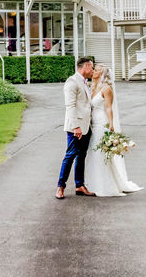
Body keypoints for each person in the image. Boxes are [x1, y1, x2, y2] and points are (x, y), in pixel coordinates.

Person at [83, 63, 143, 196]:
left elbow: (109, 107)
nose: (93, 72)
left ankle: (105, 185)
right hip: (92, 124)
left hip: (102, 123)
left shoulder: (106, 89)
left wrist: (111, 124)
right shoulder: (92, 87)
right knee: (93, 153)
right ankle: (93, 182)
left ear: (101, 74)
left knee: (100, 153)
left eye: (96, 70)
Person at [55, 57, 96, 199]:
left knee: (81, 156)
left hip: (86, 126)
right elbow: (70, 106)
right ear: (85, 67)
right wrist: (76, 127)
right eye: (91, 67)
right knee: (70, 155)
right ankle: (60, 187)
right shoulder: (72, 82)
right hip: (76, 127)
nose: (93, 70)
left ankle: (80, 185)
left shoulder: (85, 82)